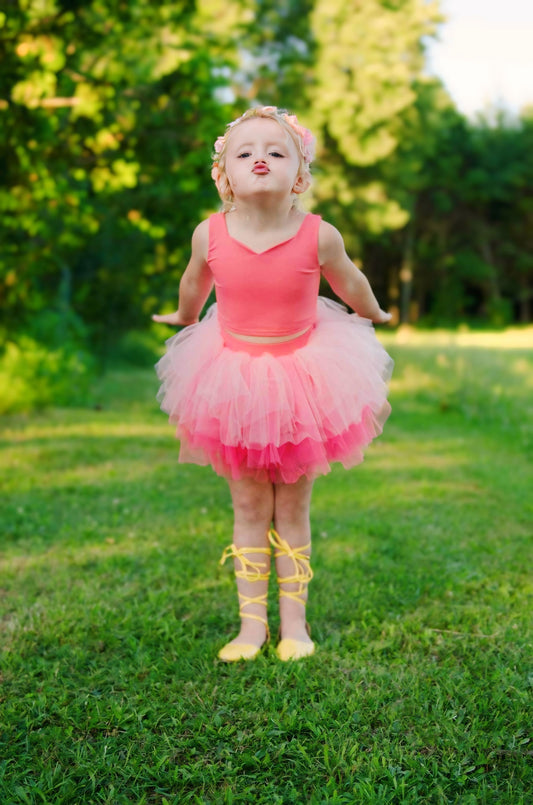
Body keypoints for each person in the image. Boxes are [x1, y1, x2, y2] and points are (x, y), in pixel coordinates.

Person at [153, 106, 393, 663]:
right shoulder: (209, 232)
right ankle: (250, 627)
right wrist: (185, 318)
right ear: (225, 177)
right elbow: (194, 283)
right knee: (248, 504)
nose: (260, 157)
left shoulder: (318, 235)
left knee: (293, 507)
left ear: (299, 176)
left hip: (305, 379)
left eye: (276, 151)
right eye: (245, 151)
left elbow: (350, 281)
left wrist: (373, 310)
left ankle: (295, 626)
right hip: (232, 381)